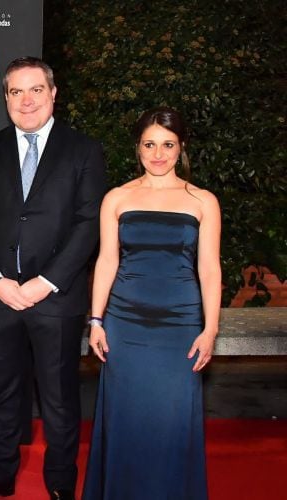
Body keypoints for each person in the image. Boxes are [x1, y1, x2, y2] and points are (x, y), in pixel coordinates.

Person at [0, 57, 107, 500]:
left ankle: (60, 485)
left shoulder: (83, 150)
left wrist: (46, 282)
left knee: (60, 400)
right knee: (2, 393)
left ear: (53, 93)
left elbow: (88, 223)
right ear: (4, 98)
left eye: (35, 90)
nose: (26, 100)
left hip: (55, 300)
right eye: (16, 92)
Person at [82, 107, 220, 500]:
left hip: (181, 326)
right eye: (149, 144)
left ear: (182, 148)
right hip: (125, 323)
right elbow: (107, 260)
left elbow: (209, 268)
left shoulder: (203, 201)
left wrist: (210, 329)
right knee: (127, 418)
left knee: (172, 419)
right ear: (138, 148)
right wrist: (96, 320)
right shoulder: (117, 198)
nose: (158, 154)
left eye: (168, 145)